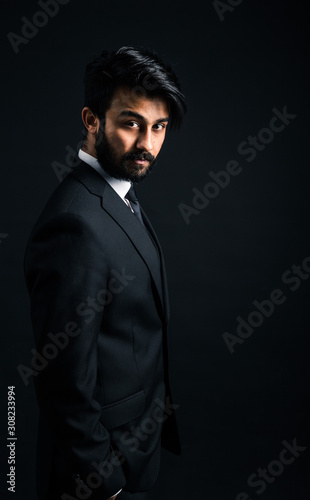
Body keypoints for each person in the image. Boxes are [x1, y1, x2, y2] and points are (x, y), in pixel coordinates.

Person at [24, 46, 186, 500]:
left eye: (159, 128)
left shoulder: (119, 195)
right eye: (131, 123)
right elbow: (61, 378)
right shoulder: (73, 224)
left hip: (135, 451)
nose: (147, 145)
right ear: (92, 120)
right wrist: (106, 482)